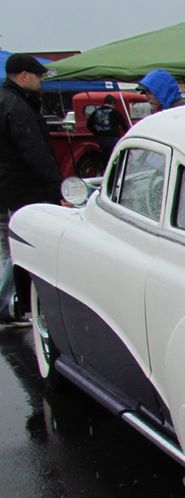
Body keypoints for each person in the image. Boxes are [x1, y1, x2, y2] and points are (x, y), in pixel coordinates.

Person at [0, 54, 63, 323]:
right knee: (18, 250)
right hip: (21, 190)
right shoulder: (17, 107)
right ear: (25, 76)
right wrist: (58, 187)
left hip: (7, 188)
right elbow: (33, 151)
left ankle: (8, 305)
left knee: (7, 248)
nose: (40, 83)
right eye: (38, 77)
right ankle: (6, 305)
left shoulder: (7, 101)